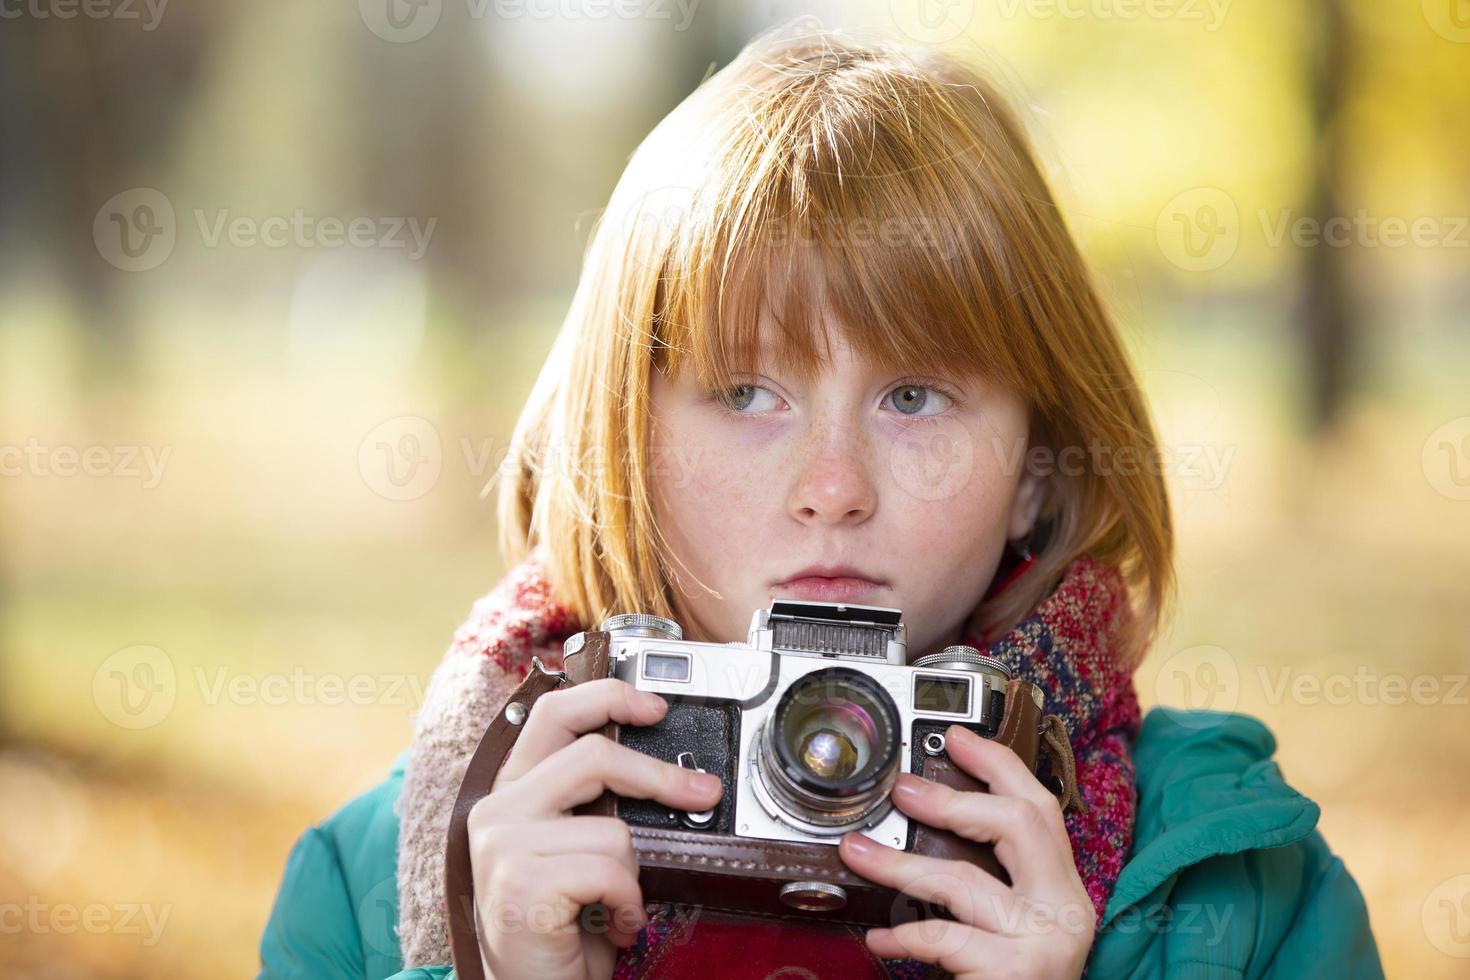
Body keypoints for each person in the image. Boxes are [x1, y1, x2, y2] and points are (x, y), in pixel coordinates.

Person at [258, 24, 1384, 979]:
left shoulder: (1239, 891)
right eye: (745, 392)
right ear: (625, 443)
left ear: (1037, 465)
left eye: (914, 395)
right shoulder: (360, 891)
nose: (833, 491)